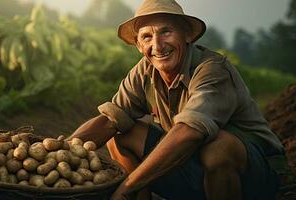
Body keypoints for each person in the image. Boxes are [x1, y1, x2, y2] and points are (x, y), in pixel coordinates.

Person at [68, 0, 285, 199]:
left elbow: (189, 133)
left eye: (166, 32)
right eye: (146, 37)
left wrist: (126, 187)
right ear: (139, 45)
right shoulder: (144, 71)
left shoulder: (212, 70)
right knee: (121, 135)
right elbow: (110, 119)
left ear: (187, 35)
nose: (158, 45)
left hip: (256, 177)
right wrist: (62, 150)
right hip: (193, 168)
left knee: (219, 147)